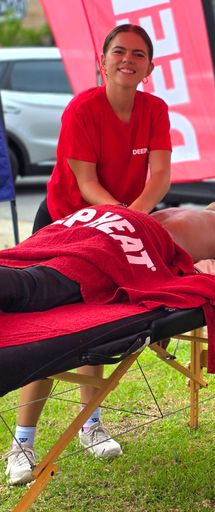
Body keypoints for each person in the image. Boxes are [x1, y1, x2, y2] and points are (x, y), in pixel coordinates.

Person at [3, 202, 215, 484]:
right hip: (120, 243)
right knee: (33, 288)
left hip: (94, 224)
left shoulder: (176, 215)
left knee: (29, 268)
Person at [7, 25, 172, 486]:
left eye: (138, 54)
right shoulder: (82, 108)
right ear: (102, 61)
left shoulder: (155, 109)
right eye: (119, 51)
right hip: (67, 225)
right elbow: (86, 184)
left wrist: (131, 221)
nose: (128, 60)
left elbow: (159, 176)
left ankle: (91, 425)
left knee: (96, 324)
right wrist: (125, 220)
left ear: (150, 66)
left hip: (118, 226)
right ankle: (22, 441)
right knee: (48, 331)